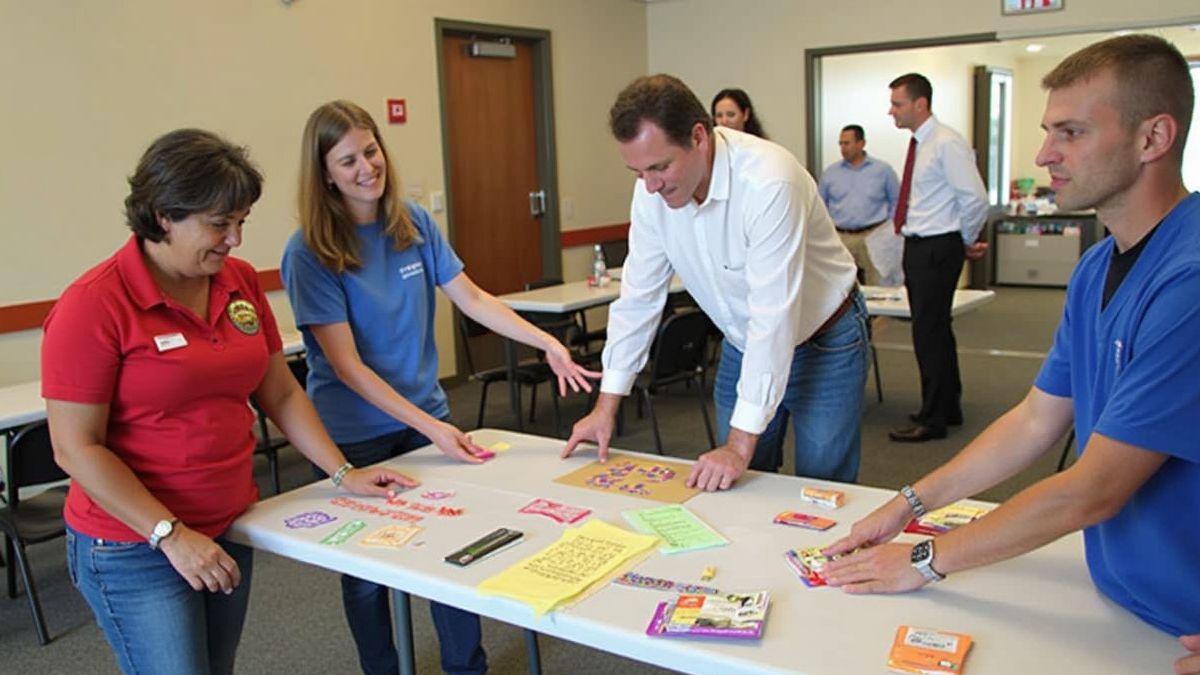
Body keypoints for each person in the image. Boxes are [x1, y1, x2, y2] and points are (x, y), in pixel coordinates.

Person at [822, 35, 1199, 675]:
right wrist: (907, 505)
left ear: (1152, 138)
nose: (1044, 154)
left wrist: (926, 560)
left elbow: (1094, 489)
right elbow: (1035, 420)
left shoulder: (1189, 279)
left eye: (1071, 133)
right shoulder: (1096, 268)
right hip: (1122, 592)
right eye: (1049, 131)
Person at [42, 129, 418, 675]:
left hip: (224, 522)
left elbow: (281, 391)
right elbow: (76, 449)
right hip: (133, 543)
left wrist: (341, 472)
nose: (235, 239)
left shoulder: (236, 282)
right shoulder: (95, 304)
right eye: (220, 224)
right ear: (162, 215)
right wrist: (169, 534)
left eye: (241, 221)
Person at [281, 100, 599, 675]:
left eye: (371, 151)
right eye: (347, 160)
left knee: (454, 553)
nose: (366, 168)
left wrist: (546, 342)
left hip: (425, 421)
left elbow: (471, 297)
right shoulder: (309, 253)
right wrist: (434, 428)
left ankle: (465, 668)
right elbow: (348, 367)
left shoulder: (411, 222)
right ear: (325, 172)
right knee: (367, 577)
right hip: (354, 438)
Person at [563, 74, 868, 489]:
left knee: (822, 486)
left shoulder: (768, 180)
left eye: (660, 167)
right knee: (736, 483)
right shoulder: (651, 192)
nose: (651, 185)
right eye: (637, 172)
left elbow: (773, 317)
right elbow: (638, 297)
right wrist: (606, 407)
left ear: (699, 137)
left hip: (824, 338)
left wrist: (739, 445)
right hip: (743, 341)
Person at [884, 72, 989, 443]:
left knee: (928, 333)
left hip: (936, 246)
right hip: (923, 244)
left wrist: (961, 240)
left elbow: (975, 198)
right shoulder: (920, 144)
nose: (891, 111)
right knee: (936, 330)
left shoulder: (947, 143)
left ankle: (933, 418)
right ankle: (947, 405)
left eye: (897, 104)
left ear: (920, 104)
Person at [819, 124, 901, 285]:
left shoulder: (882, 171)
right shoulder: (831, 173)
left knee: (878, 282)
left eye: (847, 143)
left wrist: (890, 231)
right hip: (842, 236)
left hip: (874, 236)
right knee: (840, 282)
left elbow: (896, 201)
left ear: (861, 143)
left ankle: (878, 312)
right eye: (840, 144)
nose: (843, 148)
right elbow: (821, 205)